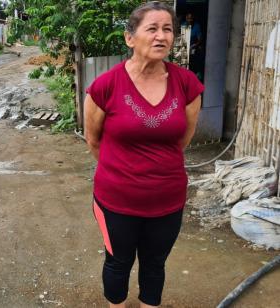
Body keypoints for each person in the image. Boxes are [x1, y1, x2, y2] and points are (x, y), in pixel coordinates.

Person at [84, 2, 204, 307]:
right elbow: (93, 140)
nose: (161, 36)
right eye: (152, 29)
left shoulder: (187, 85)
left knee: (155, 265)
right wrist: (124, 172)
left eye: (168, 29)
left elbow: (183, 139)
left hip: (167, 199)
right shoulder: (105, 86)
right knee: (117, 263)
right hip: (116, 200)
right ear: (130, 38)